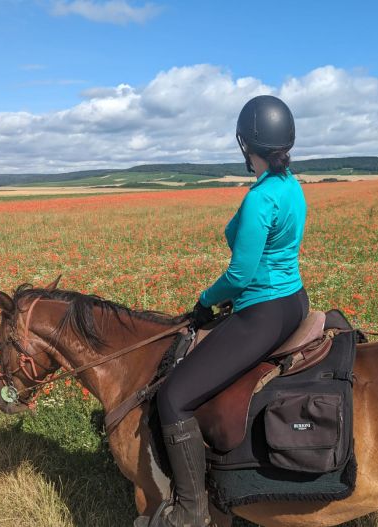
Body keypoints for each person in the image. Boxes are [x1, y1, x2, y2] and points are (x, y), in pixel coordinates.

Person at [155, 95, 309, 526]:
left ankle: (191, 511)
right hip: (294, 301)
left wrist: (205, 299)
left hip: (262, 311)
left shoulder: (262, 198)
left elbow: (240, 276)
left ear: (246, 145)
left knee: (174, 398)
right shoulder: (291, 185)